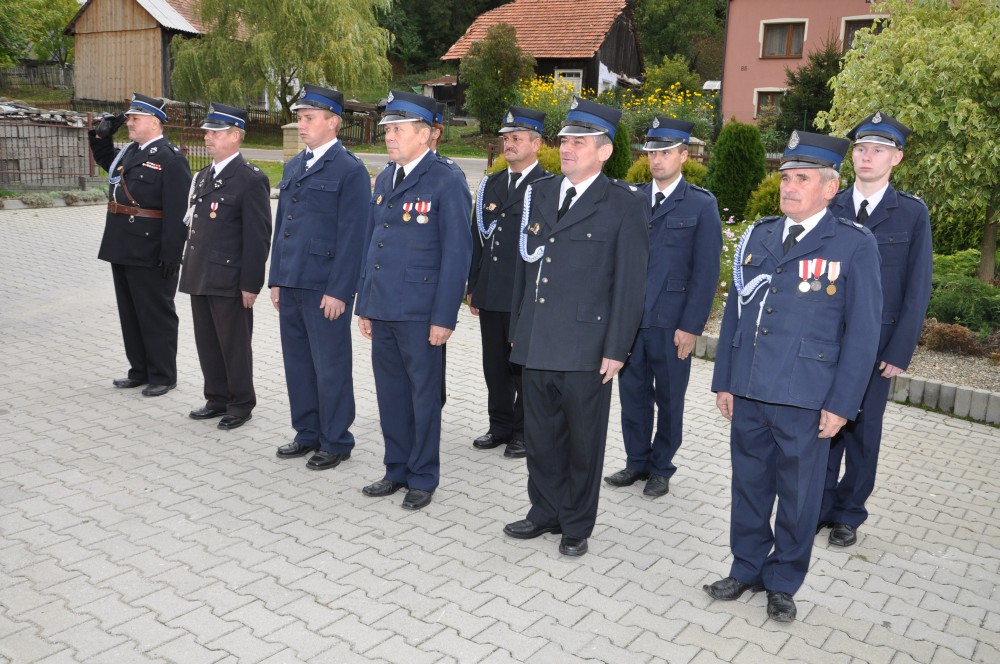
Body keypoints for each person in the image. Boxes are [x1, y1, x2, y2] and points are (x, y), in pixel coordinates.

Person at [705, 131, 882, 622]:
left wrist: (843, 404)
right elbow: (736, 316)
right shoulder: (759, 235)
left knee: (800, 495)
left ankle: (783, 580)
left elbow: (863, 333)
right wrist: (725, 380)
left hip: (808, 396)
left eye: (802, 178)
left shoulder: (852, 245)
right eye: (785, 177)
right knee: (749, 484)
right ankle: (745, 567)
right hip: (751, 388)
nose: (789, 186)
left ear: (830, 187)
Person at [503, 98, 649, 557]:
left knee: (583, 443)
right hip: (538, 338)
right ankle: (543, 511)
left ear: (604, 151)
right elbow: (524, 270)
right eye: (564, 140)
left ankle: (576, 523)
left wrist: (617, 348)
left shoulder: (623, 204)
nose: (566, 148)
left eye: (578, 142)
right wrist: (518, 326)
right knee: (541, 438)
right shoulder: (542, 193)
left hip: (587, 346)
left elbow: (629, 284)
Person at [818, 112, 933, 547]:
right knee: (824, 424)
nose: (868, 157)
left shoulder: (911, 214)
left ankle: (849, 513)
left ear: (896, 158)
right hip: (827, 338)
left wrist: (900, 350)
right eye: (862, 149)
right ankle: (821, 504)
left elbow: (917, 287)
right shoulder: (832, 204)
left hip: (878, 343)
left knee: (864, 430)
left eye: (879, 150)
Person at [355, 90, 473, 510]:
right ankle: (396, 469)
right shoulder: (387, 177)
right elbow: (374, 244)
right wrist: (364, 304)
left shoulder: (446, 180)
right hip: (383, 306)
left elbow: (458, 254)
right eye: (387, 128)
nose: (389, 135)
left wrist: (445, 317)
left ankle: (423, 476)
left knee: (423, 397)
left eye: (398, 129)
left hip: (421, 314)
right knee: (390, 394)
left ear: (426, 134)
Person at [608, 117, 721, 496]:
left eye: (666, 152)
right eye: (652, 152)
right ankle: (636, 461)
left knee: (669, 398)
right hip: (633, 320)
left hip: (672, 323)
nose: (656, 160)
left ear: (684, 156)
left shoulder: (701, 205)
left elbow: (706, 274)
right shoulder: (633, 197)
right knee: (632, 393)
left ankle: (661, 467)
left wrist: (691, 326)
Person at [269, 84, 370, 470]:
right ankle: (307, 432)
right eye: (300, 118)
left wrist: (341, 290)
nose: (302, 125)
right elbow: (283, 229)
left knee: (330, 365)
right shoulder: (296, 165)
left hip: (325, 286)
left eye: (309, 118)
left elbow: (354, 237)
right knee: (298, 362)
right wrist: (276, 278)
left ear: (334, 123)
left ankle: (336, 439)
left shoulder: (350, 170)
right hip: (292, 280)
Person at [88, 92, 192, 397]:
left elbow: (178, 212)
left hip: (151, 249)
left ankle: (163, 374)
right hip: (122, 244)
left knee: (155, 313)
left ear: (155, 122)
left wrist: (173, 252)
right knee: (130, 311)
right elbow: (108, 162)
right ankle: (140, 370)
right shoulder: (130, 152)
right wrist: (100, 136)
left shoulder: (170, 158)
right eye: (129, 118)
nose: (129, 123)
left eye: (135, 118)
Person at [179, 103, 272, 431]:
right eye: (207, 132)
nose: (207, 137)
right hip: (199, 272)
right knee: (207, 340)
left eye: (215, 132)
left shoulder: (250, 179)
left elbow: (258, 237)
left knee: (233, 343)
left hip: (230, 277)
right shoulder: (203, 177)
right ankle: (216, 397)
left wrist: (251, 283)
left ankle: (240, 402)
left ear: (235, 136)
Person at [467, 106, 550, 460]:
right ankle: (499, 425)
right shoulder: (492, 183)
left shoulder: (548, 188)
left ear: (537, 143)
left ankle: (523, 432)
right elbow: (477, 238)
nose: (508, 144)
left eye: (516, 138)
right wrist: (473, 285)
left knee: (522, 367)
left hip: (525, 294)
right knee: (494, 364)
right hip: (492, 291)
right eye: (505, 138)